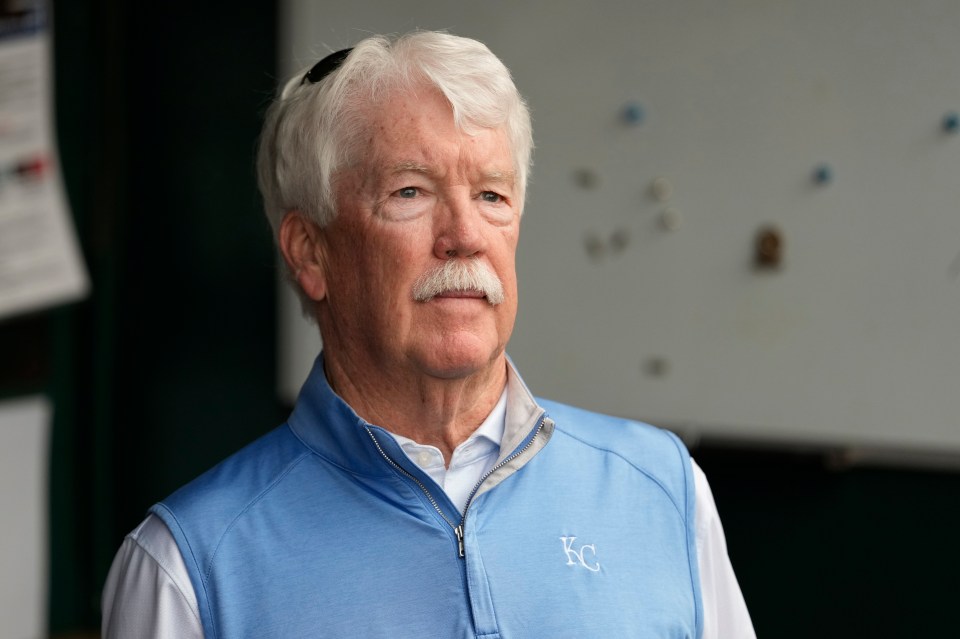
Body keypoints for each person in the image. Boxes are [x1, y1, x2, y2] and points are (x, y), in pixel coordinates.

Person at [101, 31, 755, 638]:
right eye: (411, 191)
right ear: (310, 252)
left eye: (492, 195)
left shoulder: (662, 492)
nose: (466, 235)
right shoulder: (188, 568)